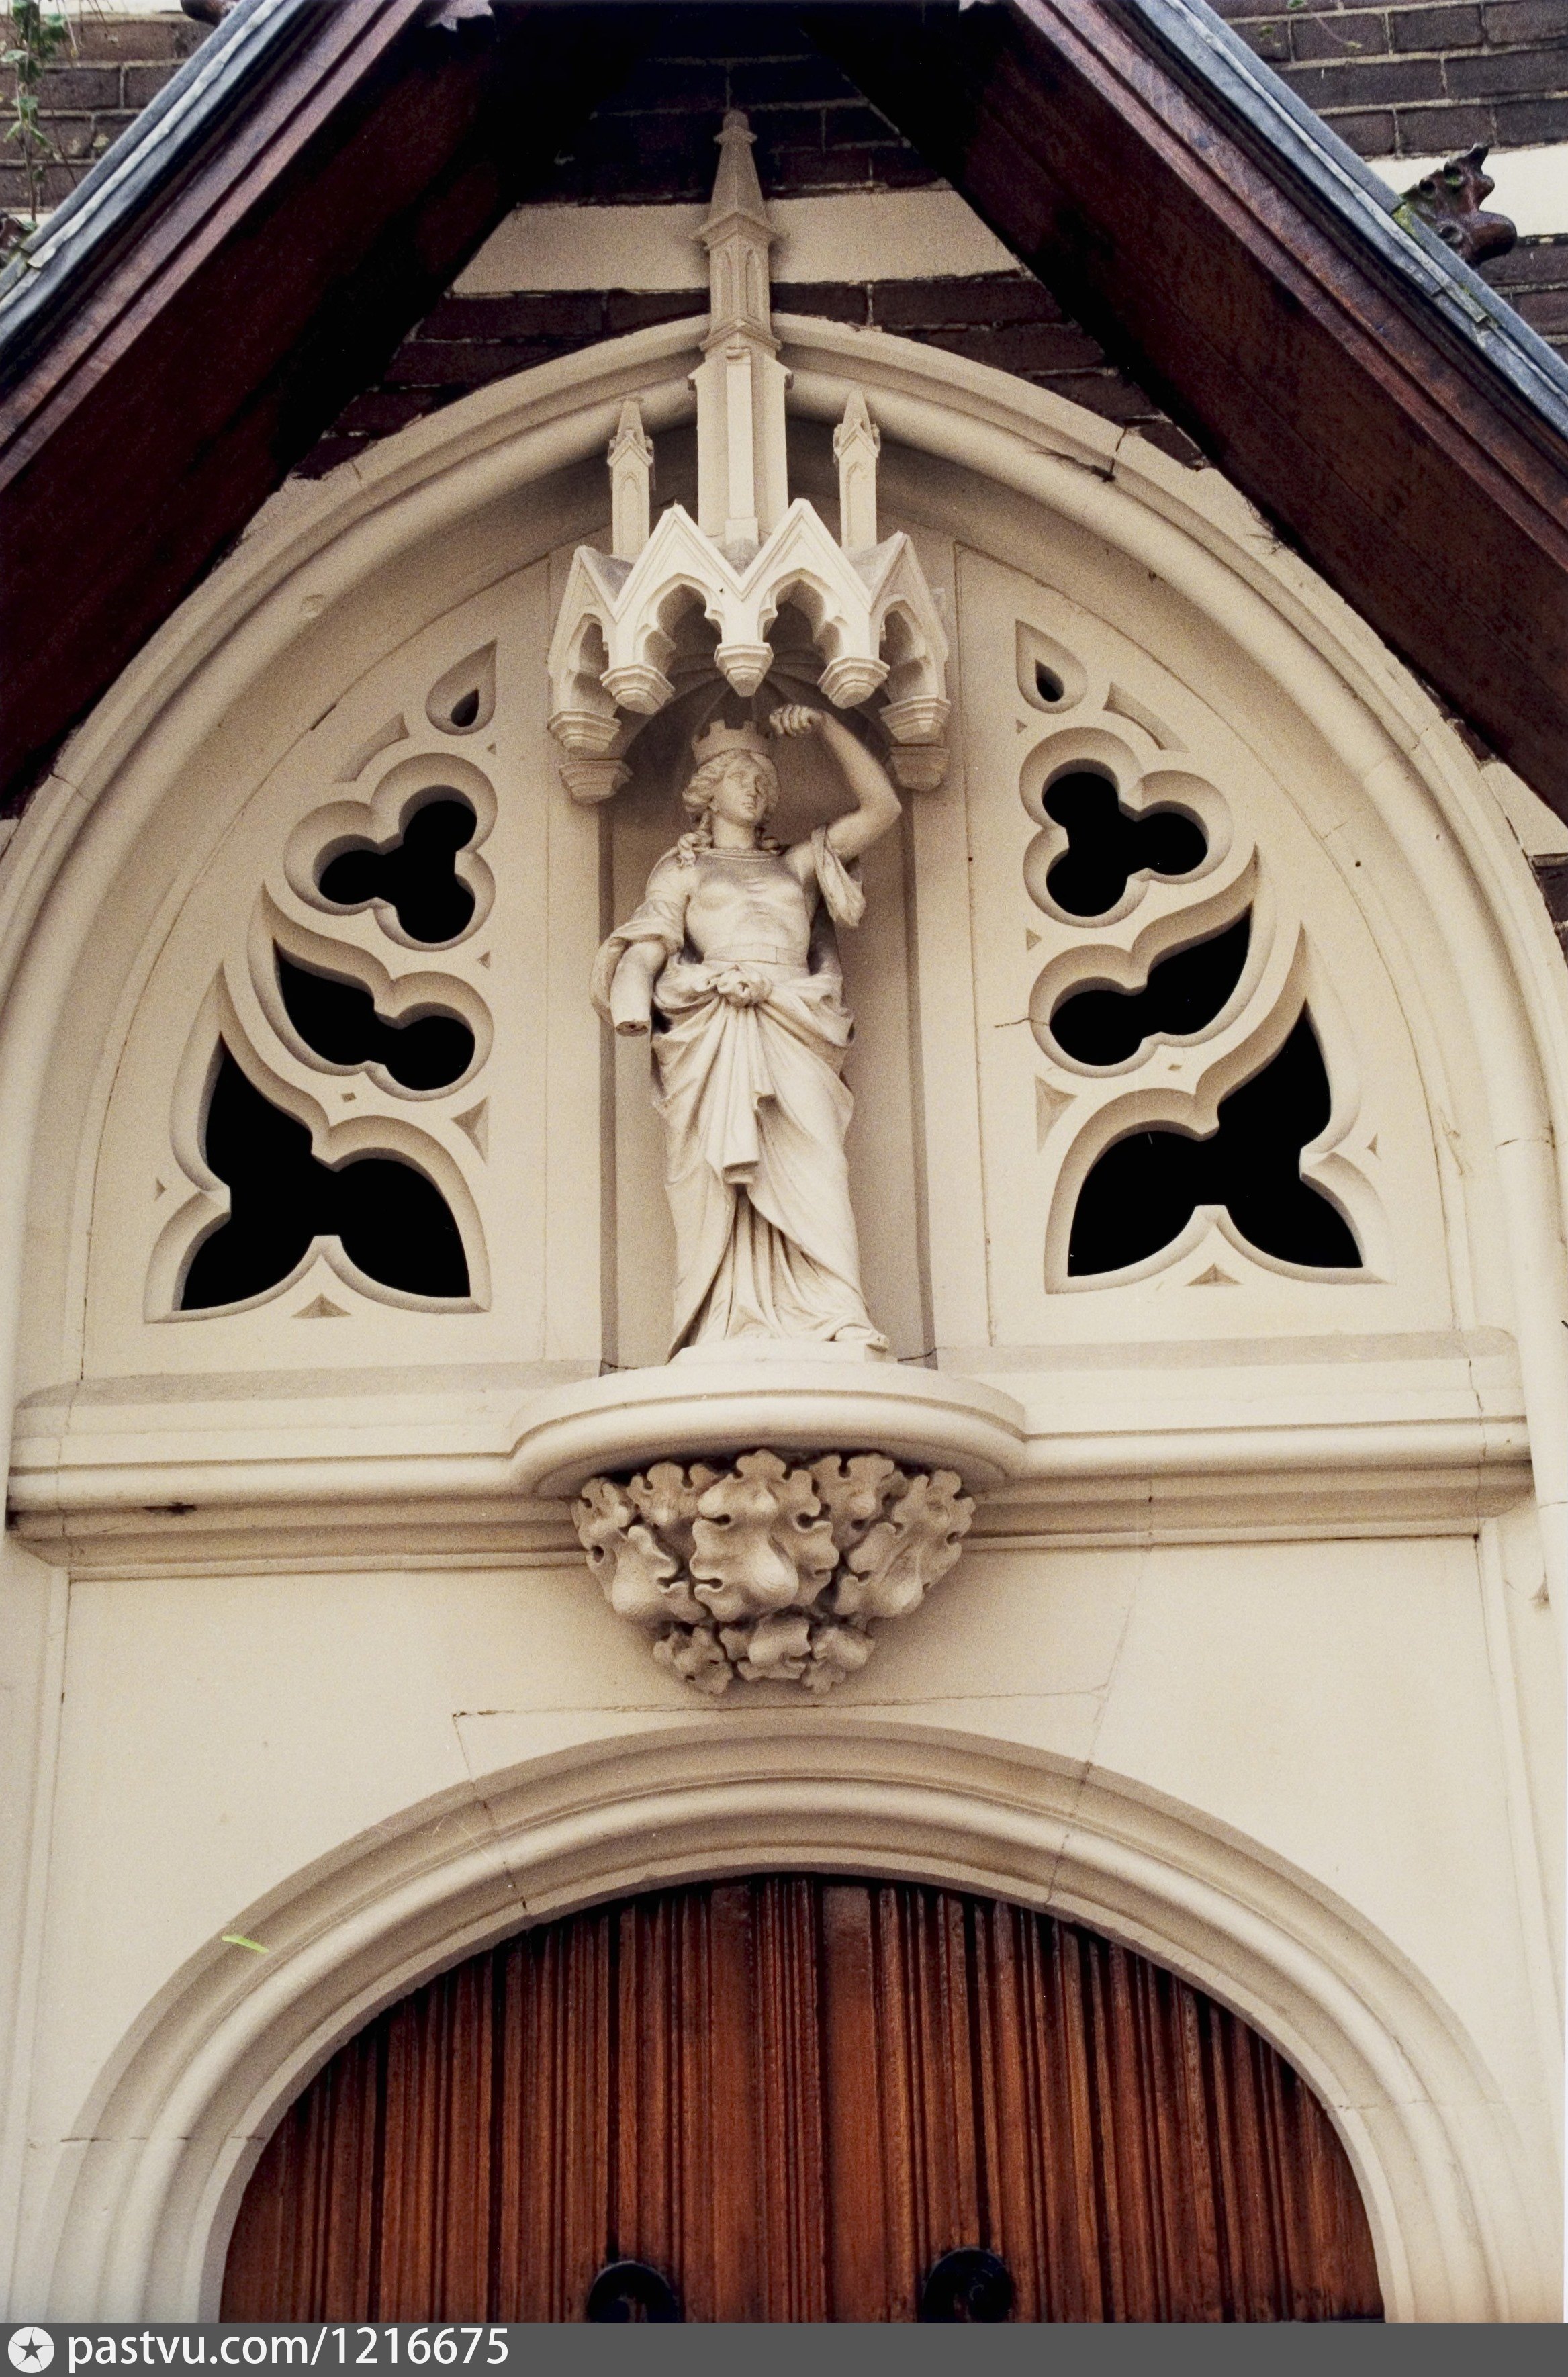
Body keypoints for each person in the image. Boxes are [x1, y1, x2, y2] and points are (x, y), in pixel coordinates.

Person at [591, 702, 903, 1355]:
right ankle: (724, 1319)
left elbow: (882, 810)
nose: (756, 788)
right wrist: (631, 994)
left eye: (765, 778)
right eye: (741, 776)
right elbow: (650, 943)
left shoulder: (798, 865)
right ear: (708, 792)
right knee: (718, 1175)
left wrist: (826, 728)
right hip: (717, 1024)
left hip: (795, 1018)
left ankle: (836, 1311)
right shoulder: (683, 869)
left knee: (817, 1164)